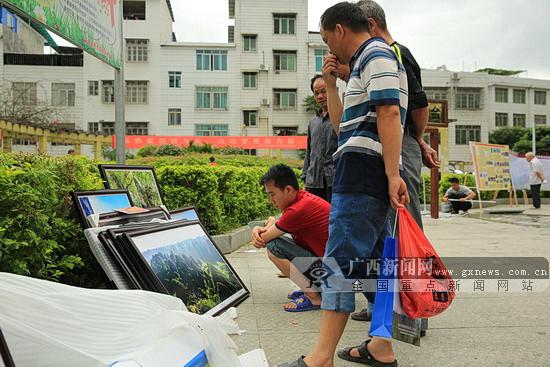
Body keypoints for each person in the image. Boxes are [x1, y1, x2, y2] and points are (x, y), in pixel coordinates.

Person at [280, 2, 409, 366]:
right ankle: (382, 346)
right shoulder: (362, 67)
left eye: (326, 38)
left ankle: (321, 357)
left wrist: (392, 174)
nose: (328, 48)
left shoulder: (376, 55)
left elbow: (388, 112)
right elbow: (342, 129)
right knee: (375, 265)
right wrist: (334, 85)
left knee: (337, 263)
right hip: (364, 170)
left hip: (363, 174)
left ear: (340, 30)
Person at [339, 0, 436, 333]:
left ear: (369, 23)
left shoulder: (392, 53)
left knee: (403, 228)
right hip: (388, 143)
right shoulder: (375, 56)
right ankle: (386, 310)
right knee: (383, 237)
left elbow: (416, 106)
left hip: (398, 143)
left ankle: (412, 315)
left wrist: (417, 140)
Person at [252, 164, 330, 312]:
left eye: (272, 194)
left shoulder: (298, 209)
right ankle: (315, 288)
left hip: (332, 275)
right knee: (276, 241)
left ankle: (314, 297)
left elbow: (265, 239)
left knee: (274, 246)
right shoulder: (303, 199)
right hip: (333, 269)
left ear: (288, 189)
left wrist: (257, 230)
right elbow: (275, 223)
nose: (271, 200)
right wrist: (262, 227)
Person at [302, 75, 339, 203]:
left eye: (324, 91)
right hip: (314, 182)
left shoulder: (340, 118)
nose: (320, 96)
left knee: (334, 218)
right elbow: (309, 152)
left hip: (335, 180)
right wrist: (305, 177)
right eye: (316, 93)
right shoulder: (313, 123)